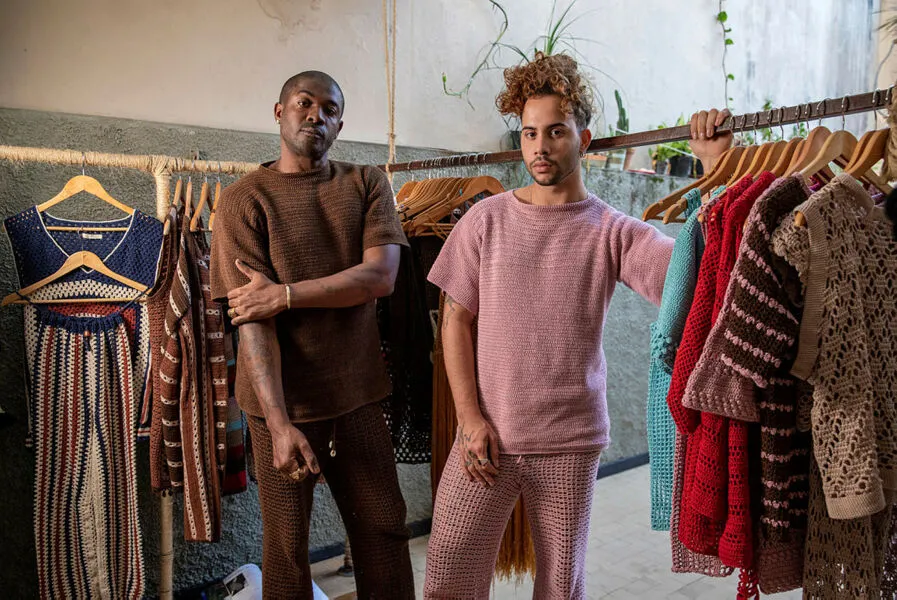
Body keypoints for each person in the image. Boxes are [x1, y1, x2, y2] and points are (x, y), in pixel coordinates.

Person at [422, 53, 733, 598]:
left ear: (583, 139)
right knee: (448, 573)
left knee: (561, 586)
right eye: (529, 133)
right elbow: (455, 320)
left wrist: (714, 172)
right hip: (486, 435)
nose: (540, 147)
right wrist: (469, 419)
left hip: (570, 440)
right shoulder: (485, 219)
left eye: (556, 132)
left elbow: (697, 270)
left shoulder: (613, 232)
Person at [210, 70, 415, 600]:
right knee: (287, 549)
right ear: (279, 112)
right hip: (281, 403)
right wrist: (278, 424)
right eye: (303, 103)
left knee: (384, 528)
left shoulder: (366, 183)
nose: (315, 116)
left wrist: (286, 294)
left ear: (339, 124)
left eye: (328, 109)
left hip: (358, 395)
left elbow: (380, 277)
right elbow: (252, 320)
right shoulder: (242, 201)